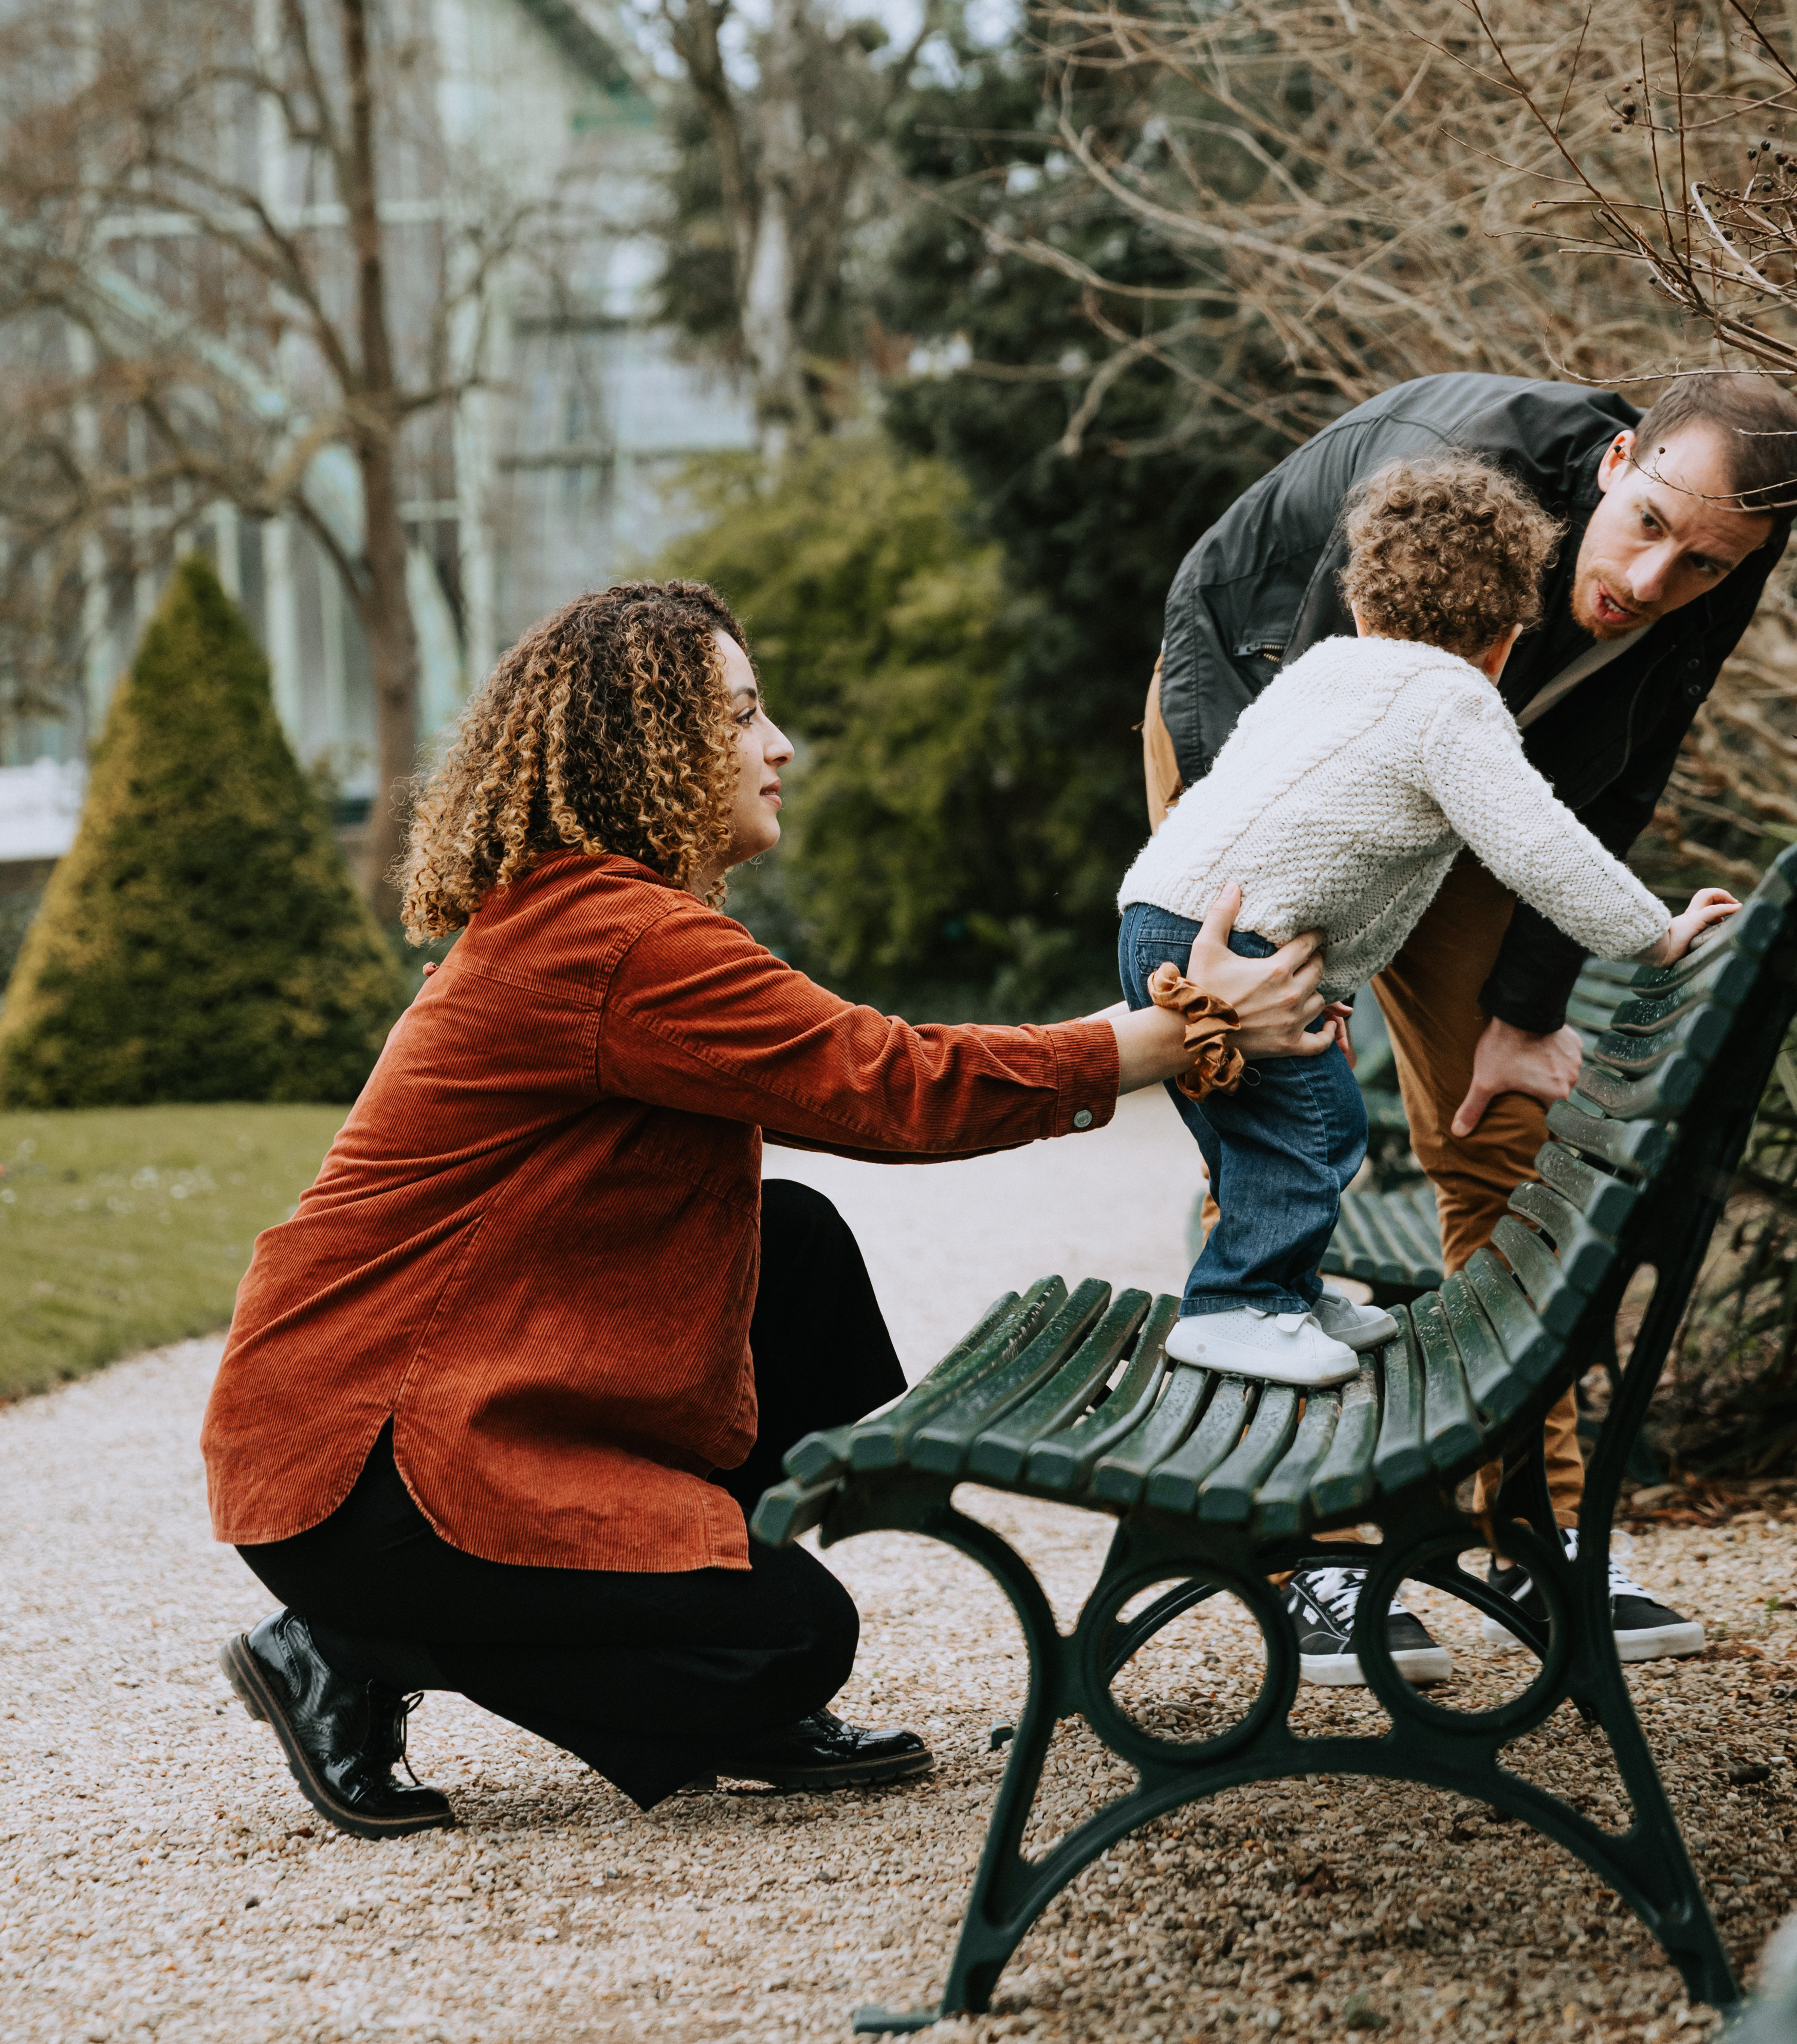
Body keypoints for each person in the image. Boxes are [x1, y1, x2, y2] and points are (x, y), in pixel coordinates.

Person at [203, 580, 1334, 1839]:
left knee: (790, 1249)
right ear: (652, 751)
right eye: (741, 717)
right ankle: (349, 1644)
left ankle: (532, 1599)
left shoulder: (611, 921)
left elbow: (860, 1083)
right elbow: (895, 1085)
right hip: (368, 1470)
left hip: (414, 1419)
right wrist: (1177, 1029)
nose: (777, 745)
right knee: (789, 1643)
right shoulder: (613, 940)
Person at [1143, 368, 1797, 1685]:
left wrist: (1525, 1011)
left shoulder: (1707, 576)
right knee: (1270, 1111)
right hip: (1266, 709)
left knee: (1501, 1124)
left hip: (1481, 767)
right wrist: (1266, 952)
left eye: (1707, 563)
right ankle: (1311, 1552)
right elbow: (1287, 730)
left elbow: (1614, 781)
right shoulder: (1461, 476)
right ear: (1620, 459)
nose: (1657, 578)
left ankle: (1539, 1530)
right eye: (1651, 527)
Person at [1118, 455, 1738, 1394]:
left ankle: (1275, 1284)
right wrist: (1656, 934)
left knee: (1267, 1131)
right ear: (1504, 641)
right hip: (1226, 947)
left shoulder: (1327, 664)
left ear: (1362, 607)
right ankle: (1236, 1308)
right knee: (1319, 1125)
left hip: (1158, 917)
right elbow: (1544, 850)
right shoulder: (1453, 705)